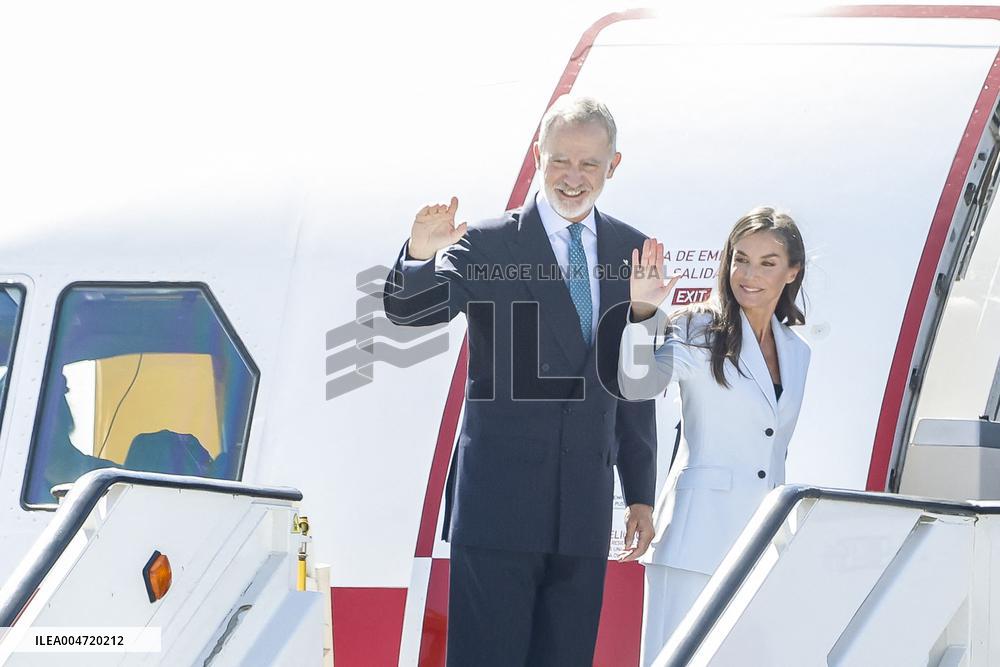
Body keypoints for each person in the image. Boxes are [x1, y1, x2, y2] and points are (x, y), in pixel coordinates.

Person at [383, 95, 657, 666]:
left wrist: (640, 491)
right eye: (560, 160)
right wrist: (417, 258)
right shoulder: (489, 243)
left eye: (589, 164)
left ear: (614, 164)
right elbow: (411, 313)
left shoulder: (632, 249)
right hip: (499, 510)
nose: (573, 178)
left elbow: (630, 378)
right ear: (538, 156)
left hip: (582, 512)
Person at [618, 207, 811, 666]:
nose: (749, 274)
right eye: (740, 259)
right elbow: (636, 384)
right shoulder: (697, 329)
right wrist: (643, 312)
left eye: (768, 263)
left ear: (792, 271)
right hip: (694, 539)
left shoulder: (798, 352)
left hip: (762, 541)